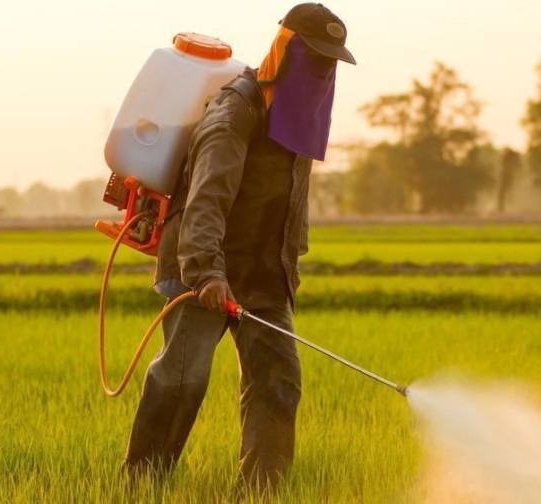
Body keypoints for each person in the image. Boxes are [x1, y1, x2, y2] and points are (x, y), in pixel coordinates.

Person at [122, 3, 355, 490]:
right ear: (286, 49)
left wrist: (288, 268)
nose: (323, 69)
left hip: (263, 273)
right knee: (185, 376)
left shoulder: (299, 119)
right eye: (314, 56)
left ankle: (262, 493)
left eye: (331, 60)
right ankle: (141, 485)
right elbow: (206, 200)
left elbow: (293, 203)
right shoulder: (234, 114)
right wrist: (207, 271)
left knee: (279, 380)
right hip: (203, 267)